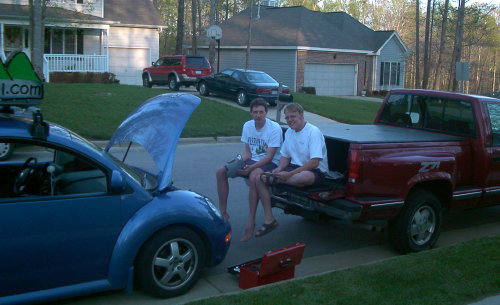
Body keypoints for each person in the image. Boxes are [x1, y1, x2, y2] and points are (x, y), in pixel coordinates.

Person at [254, 103, 328, 237]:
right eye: (287, 118)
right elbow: (285, 156)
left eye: (292, 116)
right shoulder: (289, 132)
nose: (289, 120)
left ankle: (277, 180)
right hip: (293, 169)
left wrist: (288, 175)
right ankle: (269, 220)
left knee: (302, 177)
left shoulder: (313, 132)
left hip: (314, 171)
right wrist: (279, 168)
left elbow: (314, 162)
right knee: (260, 179)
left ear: (301, 115)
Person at [215, 98, 282, 242]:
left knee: (253, 176)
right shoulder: (248, 126)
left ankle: (250, 222)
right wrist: (236, 162)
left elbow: (270, 157)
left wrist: (250, 168)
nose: (258, 115)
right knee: (221, 171)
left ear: (266, 112)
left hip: (271, 162)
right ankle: (223, 213)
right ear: (251, 113)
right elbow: (248, 153)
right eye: (255, 112)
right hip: (253, 160)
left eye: (261, 112)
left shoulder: (274, 128)